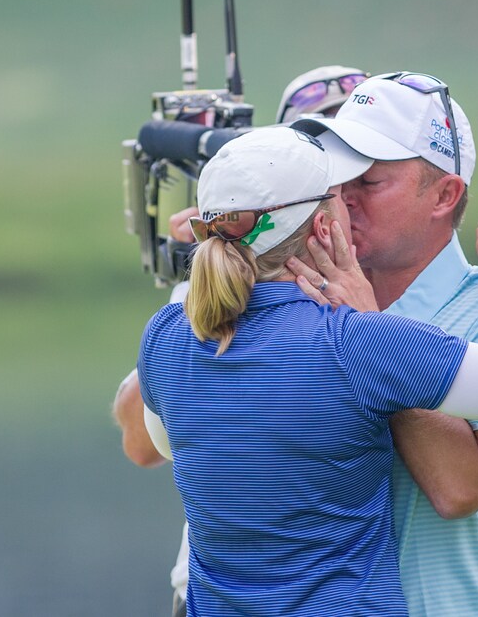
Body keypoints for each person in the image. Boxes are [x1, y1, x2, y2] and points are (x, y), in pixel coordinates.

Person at [138, 126, 478, 615]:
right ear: (324, 227)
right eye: (340, 195)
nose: (353, 204)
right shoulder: (357, 341)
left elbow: (167, 445)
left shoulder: (165, 334)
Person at [290, 71, 478, 615]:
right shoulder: (302, 296)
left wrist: (370, 334)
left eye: (370, 180)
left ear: (444, 195)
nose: (343, 198)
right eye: (339, 177)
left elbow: (460, 487)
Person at [113, 65, 368, 617]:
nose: (345, 195)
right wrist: (200, 280)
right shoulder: (214, 287)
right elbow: (139, 441)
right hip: (211, 595)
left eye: (360, 173)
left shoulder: (389, 311)